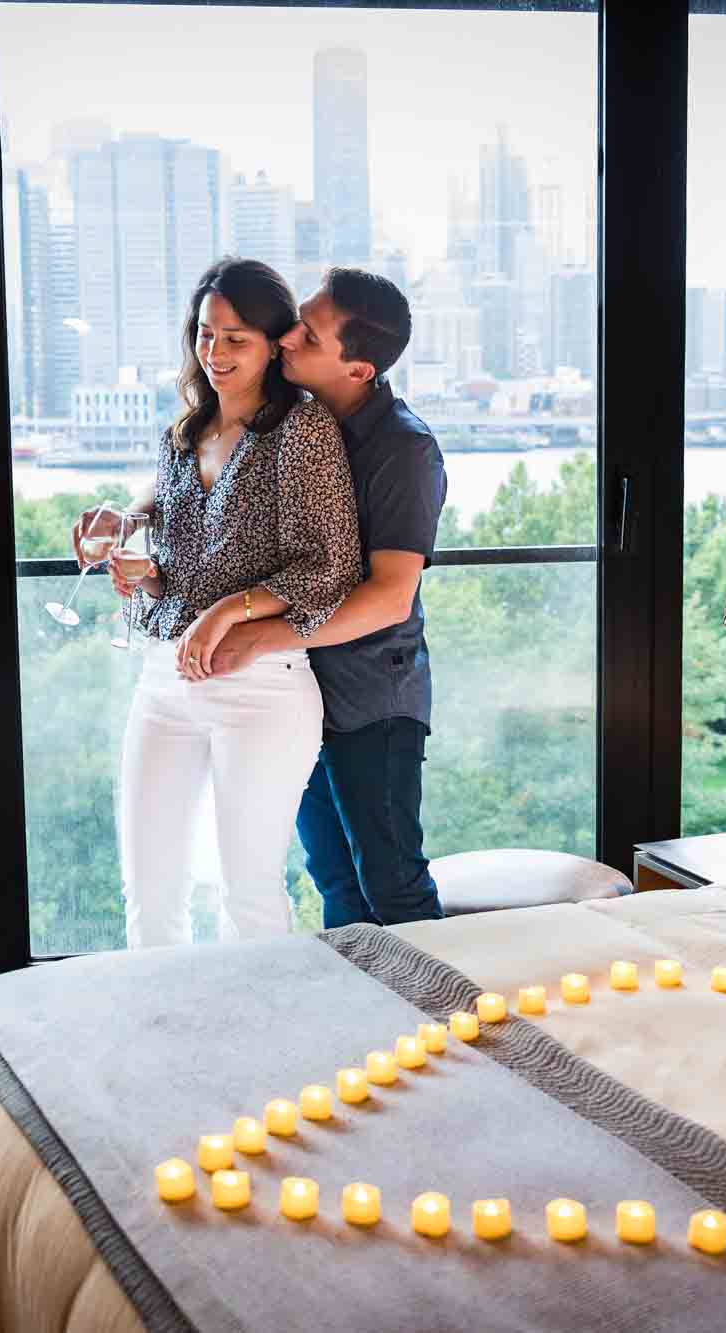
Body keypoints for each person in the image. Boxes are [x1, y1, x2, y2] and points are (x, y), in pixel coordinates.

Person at [95, 258, 362, 948]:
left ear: (275, 344)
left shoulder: (301, 432)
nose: (215, 354)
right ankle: (167, 1044)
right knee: (149, 896)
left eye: (236, 338)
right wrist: (145, 575)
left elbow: (329, 566)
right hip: (164, 682)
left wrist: (230, 610)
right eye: (206, 335)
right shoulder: (182, 436)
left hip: (261, 690)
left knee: (247, 895)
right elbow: (183, 572)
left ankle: (265, 1049)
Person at [189, 269, 448, 930]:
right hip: (294, 691)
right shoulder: (286, 423)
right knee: (332, 880)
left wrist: (267, 634)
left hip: (370, 700)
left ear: (357, 368)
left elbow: (391, 598)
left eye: (308, 334)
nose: (285, 339)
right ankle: (366, 1029)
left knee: (389, 881)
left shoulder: (404, 449)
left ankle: (449, 1025)